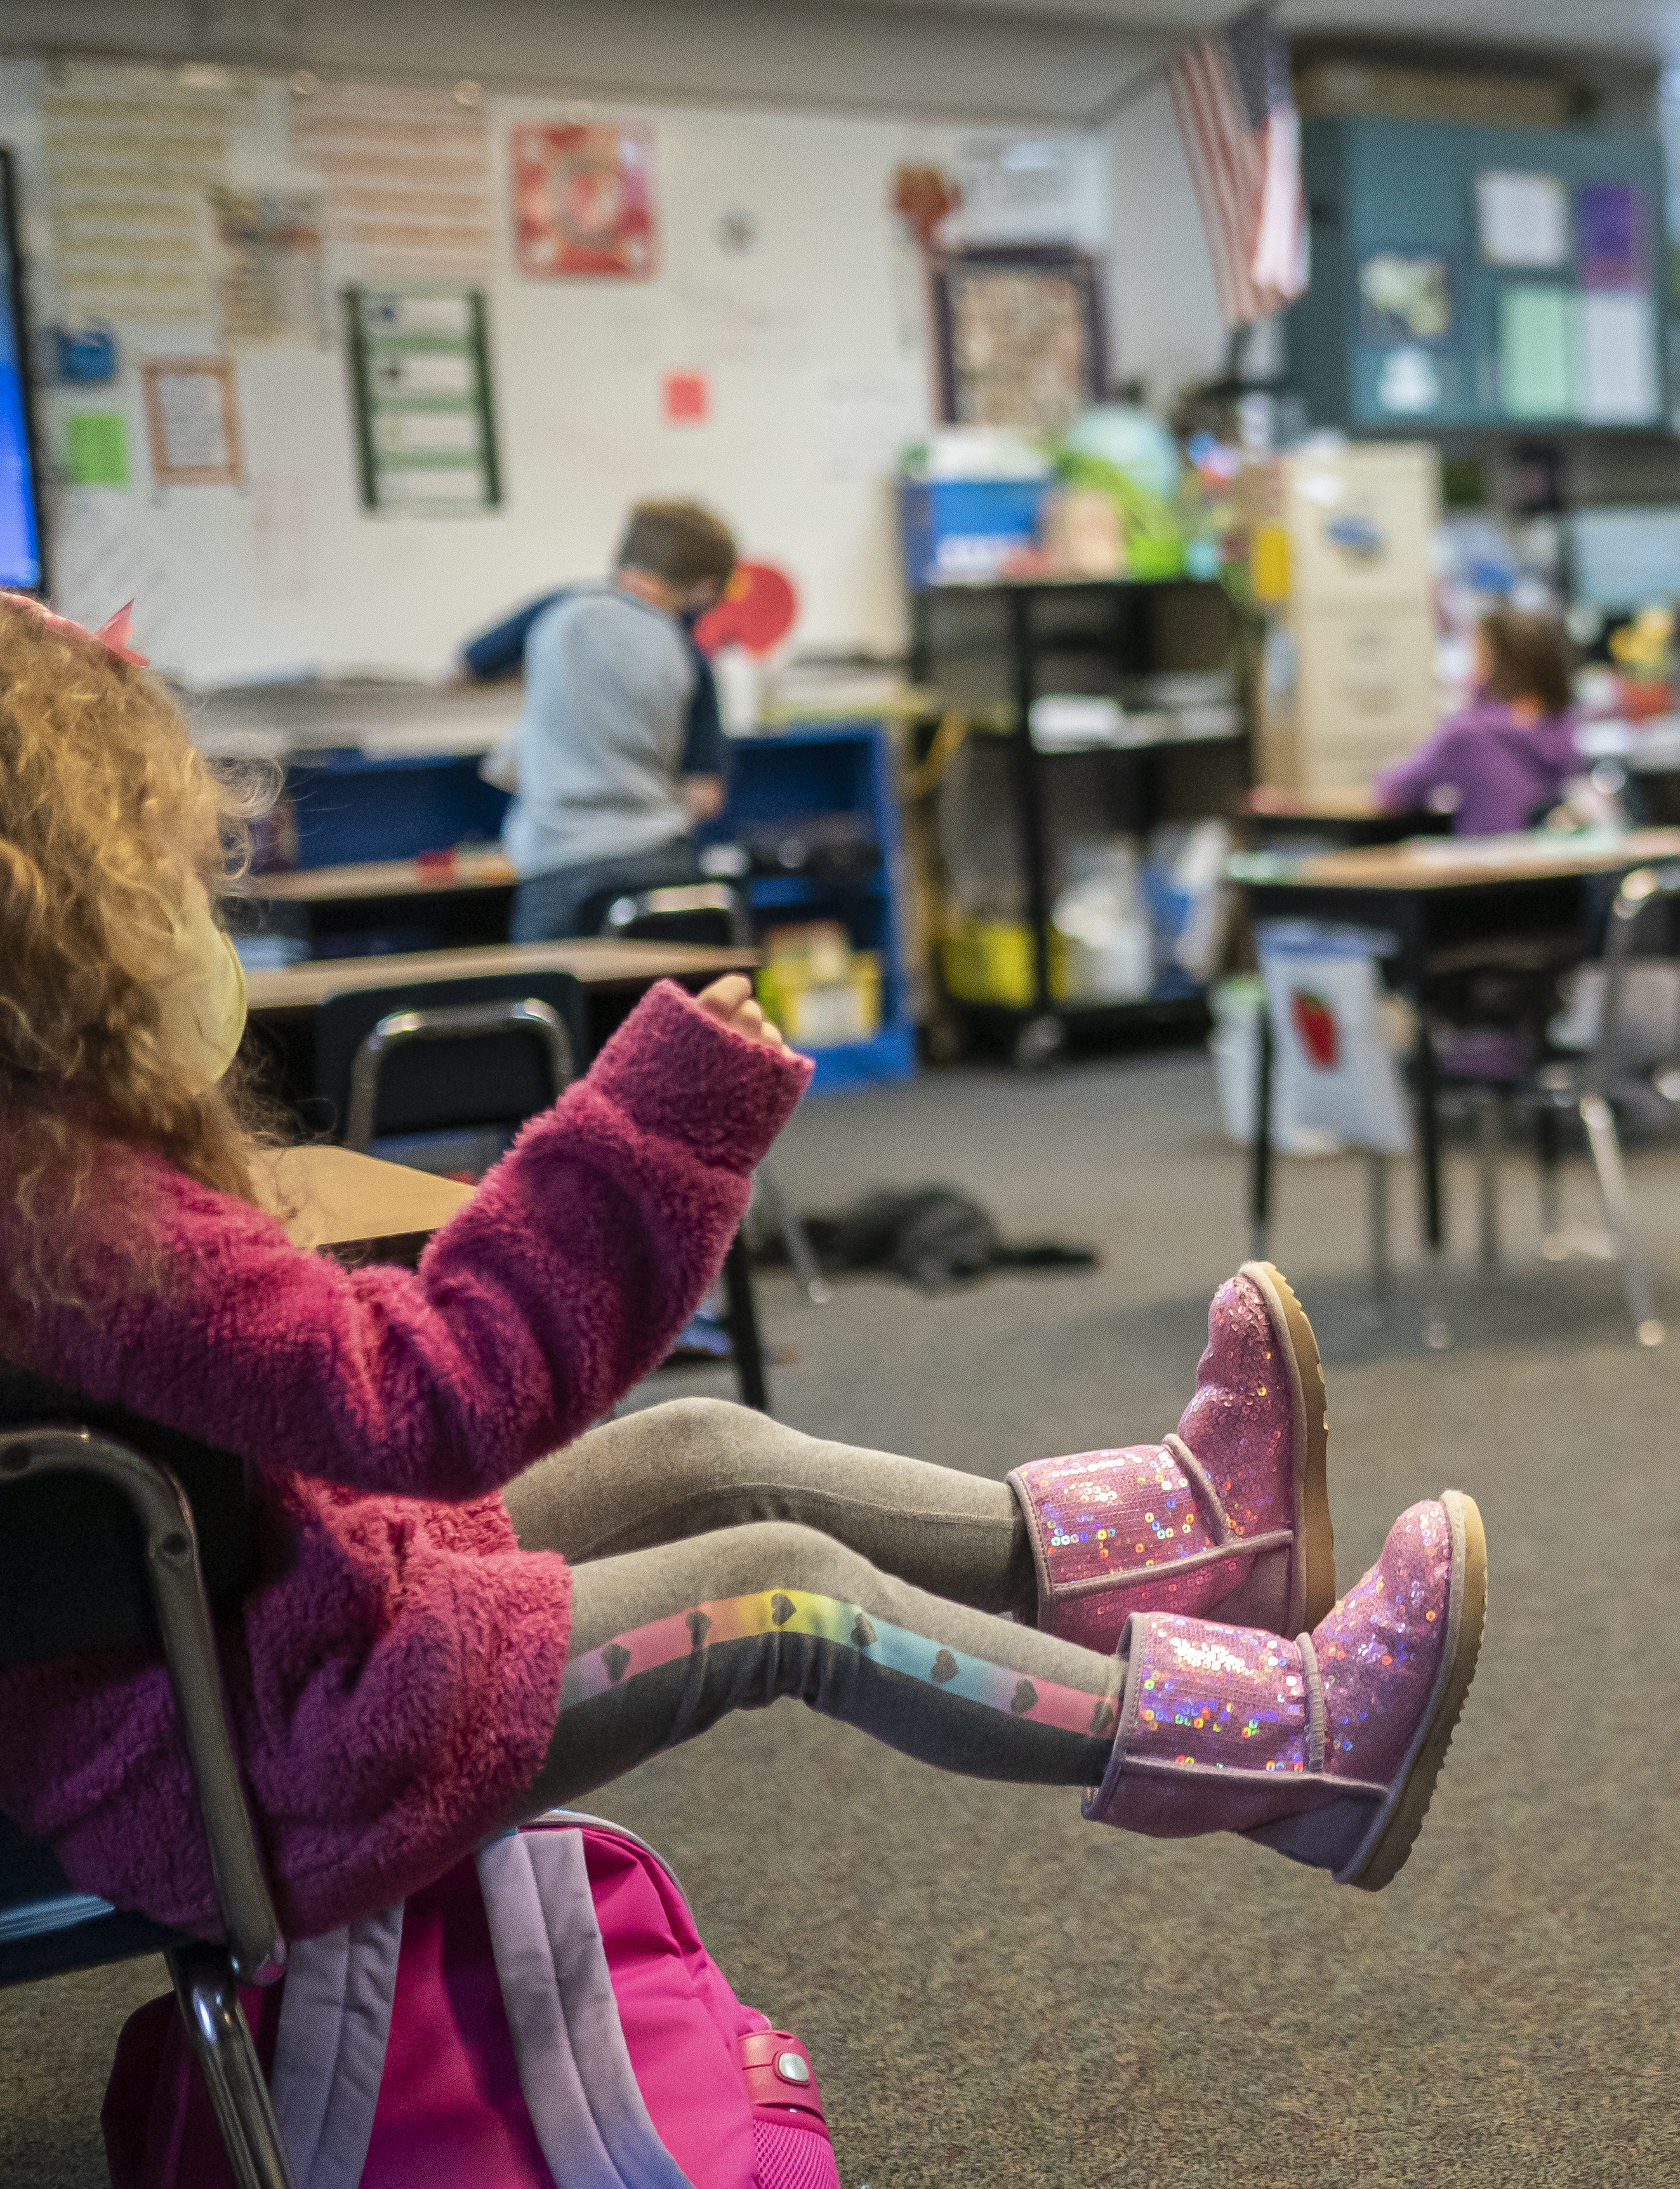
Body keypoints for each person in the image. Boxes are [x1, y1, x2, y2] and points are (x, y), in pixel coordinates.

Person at [0, 593, 1486, 1944]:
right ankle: (1297, 1757)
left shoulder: (50, 1176)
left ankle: (1194, 1545)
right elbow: (432, 1399)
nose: (198, 907)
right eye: (167, 871)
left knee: (710, 1451)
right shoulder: (78, 1218)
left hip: (257, 1658)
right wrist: (657, 1123)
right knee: (783, 1594)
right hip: (269, 1760)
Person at [462, 499, 737, 942]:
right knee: (657, 1007)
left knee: (553, 1006)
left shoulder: (556, 610)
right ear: (703, 587)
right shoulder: (688, 655)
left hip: (554, 861)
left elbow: (461, 673)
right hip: (656, 863)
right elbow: (706, 795)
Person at [1369, 607, 1580, 836]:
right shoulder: (1565, 726)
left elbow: (1394, 792)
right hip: (1554, 866)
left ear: (1491, 667)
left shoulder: (1470, 733)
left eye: (1476, 658)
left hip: (1485, 866)